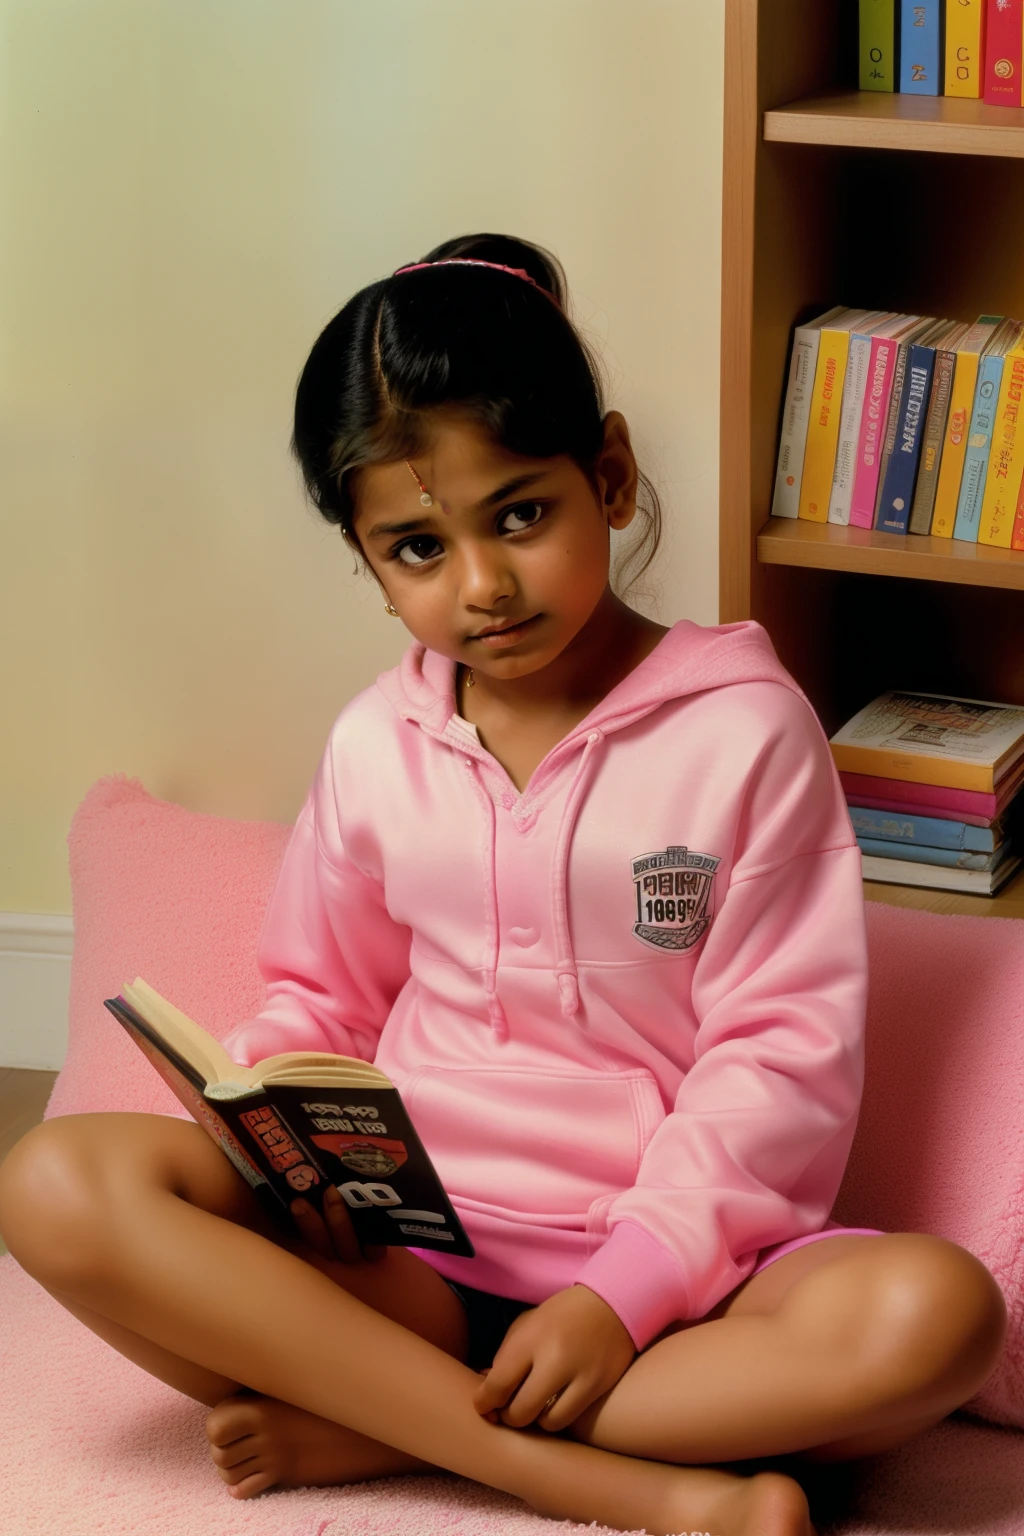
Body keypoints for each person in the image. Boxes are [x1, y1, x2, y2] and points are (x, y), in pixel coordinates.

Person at [0, 234, 1007, 1536]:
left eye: (520, 515)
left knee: (938, 1317)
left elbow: (781, 1057)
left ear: (613, 476)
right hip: (407, 1259)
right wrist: (286, 1141)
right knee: (54, 1183)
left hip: (676, 1295)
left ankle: (378, 1422)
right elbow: (316, 1001)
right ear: (371, 567)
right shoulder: (376, 744)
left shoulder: (747, 732)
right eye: (417, 549)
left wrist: (623, 1294)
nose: (481, 585)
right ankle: (571, 1472)